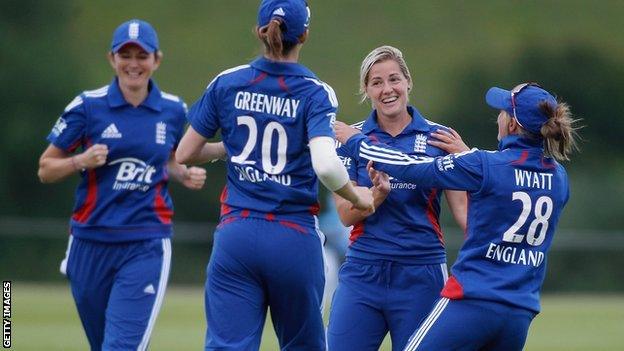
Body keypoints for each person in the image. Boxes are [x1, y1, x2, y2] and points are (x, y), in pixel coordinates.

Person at [175, 1, 374, 350]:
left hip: (236, 233)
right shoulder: (315, 91)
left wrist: (227, 149)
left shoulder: (227, 82)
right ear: (305, 35)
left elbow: (185, 153)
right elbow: (326, 164)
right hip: (292, 236)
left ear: (259, 30)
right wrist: (358, 198)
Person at [335, 82, 580, 351]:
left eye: (501, 111)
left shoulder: (484, 164)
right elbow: (508, 184)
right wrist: (467, 156)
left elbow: (413, 168)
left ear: (512, 125)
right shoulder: (559, 178)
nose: (497, 116)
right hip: (520, 312)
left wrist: (355, 141)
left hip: (473, 300)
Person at [37, 19, 208, 350]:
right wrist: (79, 161)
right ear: (111, 59)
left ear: (156, 60)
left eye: (141, 56)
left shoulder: (173, 110)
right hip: (89, 242)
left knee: (121, 347)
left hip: (146, 241)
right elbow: (46, 168)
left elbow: (171, 158)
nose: (133, 64)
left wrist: (183, 173)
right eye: (125, 55)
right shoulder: (87, 106)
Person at [327, 45, 468, 351]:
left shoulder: (439, 138)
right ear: (366, 90)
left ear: (408, 82)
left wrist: (467, 160)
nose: (387, 89)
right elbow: (344, 214)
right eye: (376, 82)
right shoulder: (349, 137)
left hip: (422, 273)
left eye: (394, 79)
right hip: (364, 272)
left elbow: (466, 216)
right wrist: (376, 196)